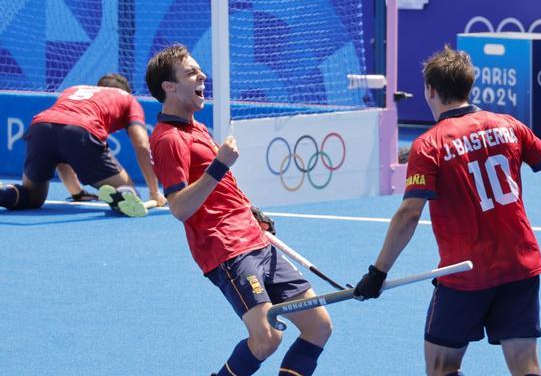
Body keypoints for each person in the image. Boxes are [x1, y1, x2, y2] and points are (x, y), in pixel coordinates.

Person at [353, 45, 541, 376]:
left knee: (442, 366)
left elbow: (408, 215)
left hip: (464, 274)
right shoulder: (508, 125)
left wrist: (378, 273)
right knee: (526, 366)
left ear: (430, 90)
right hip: (520, 266)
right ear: (470, 85)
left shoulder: (429, 145)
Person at [145, 44, 332, 376]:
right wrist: (217, 167)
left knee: (318, 326)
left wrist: (252, 210)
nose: (202, 76)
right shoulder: (168, 139)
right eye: (191, 73)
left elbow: (223, 188)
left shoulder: (195, 126)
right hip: (228, 250)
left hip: (255, 239)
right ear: (169, 87)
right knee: (266, 338)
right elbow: (178, 208)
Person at [0, 73, 166, 216]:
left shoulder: (73, 89)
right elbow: (142, 145)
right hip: (82, 130)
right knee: (128, 191)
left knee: (32, 197)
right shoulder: (128, 99)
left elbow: (62, 155)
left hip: (40, 127)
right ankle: (121, 194)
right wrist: (154, 192)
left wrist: (77, 193)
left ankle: (3, 193)